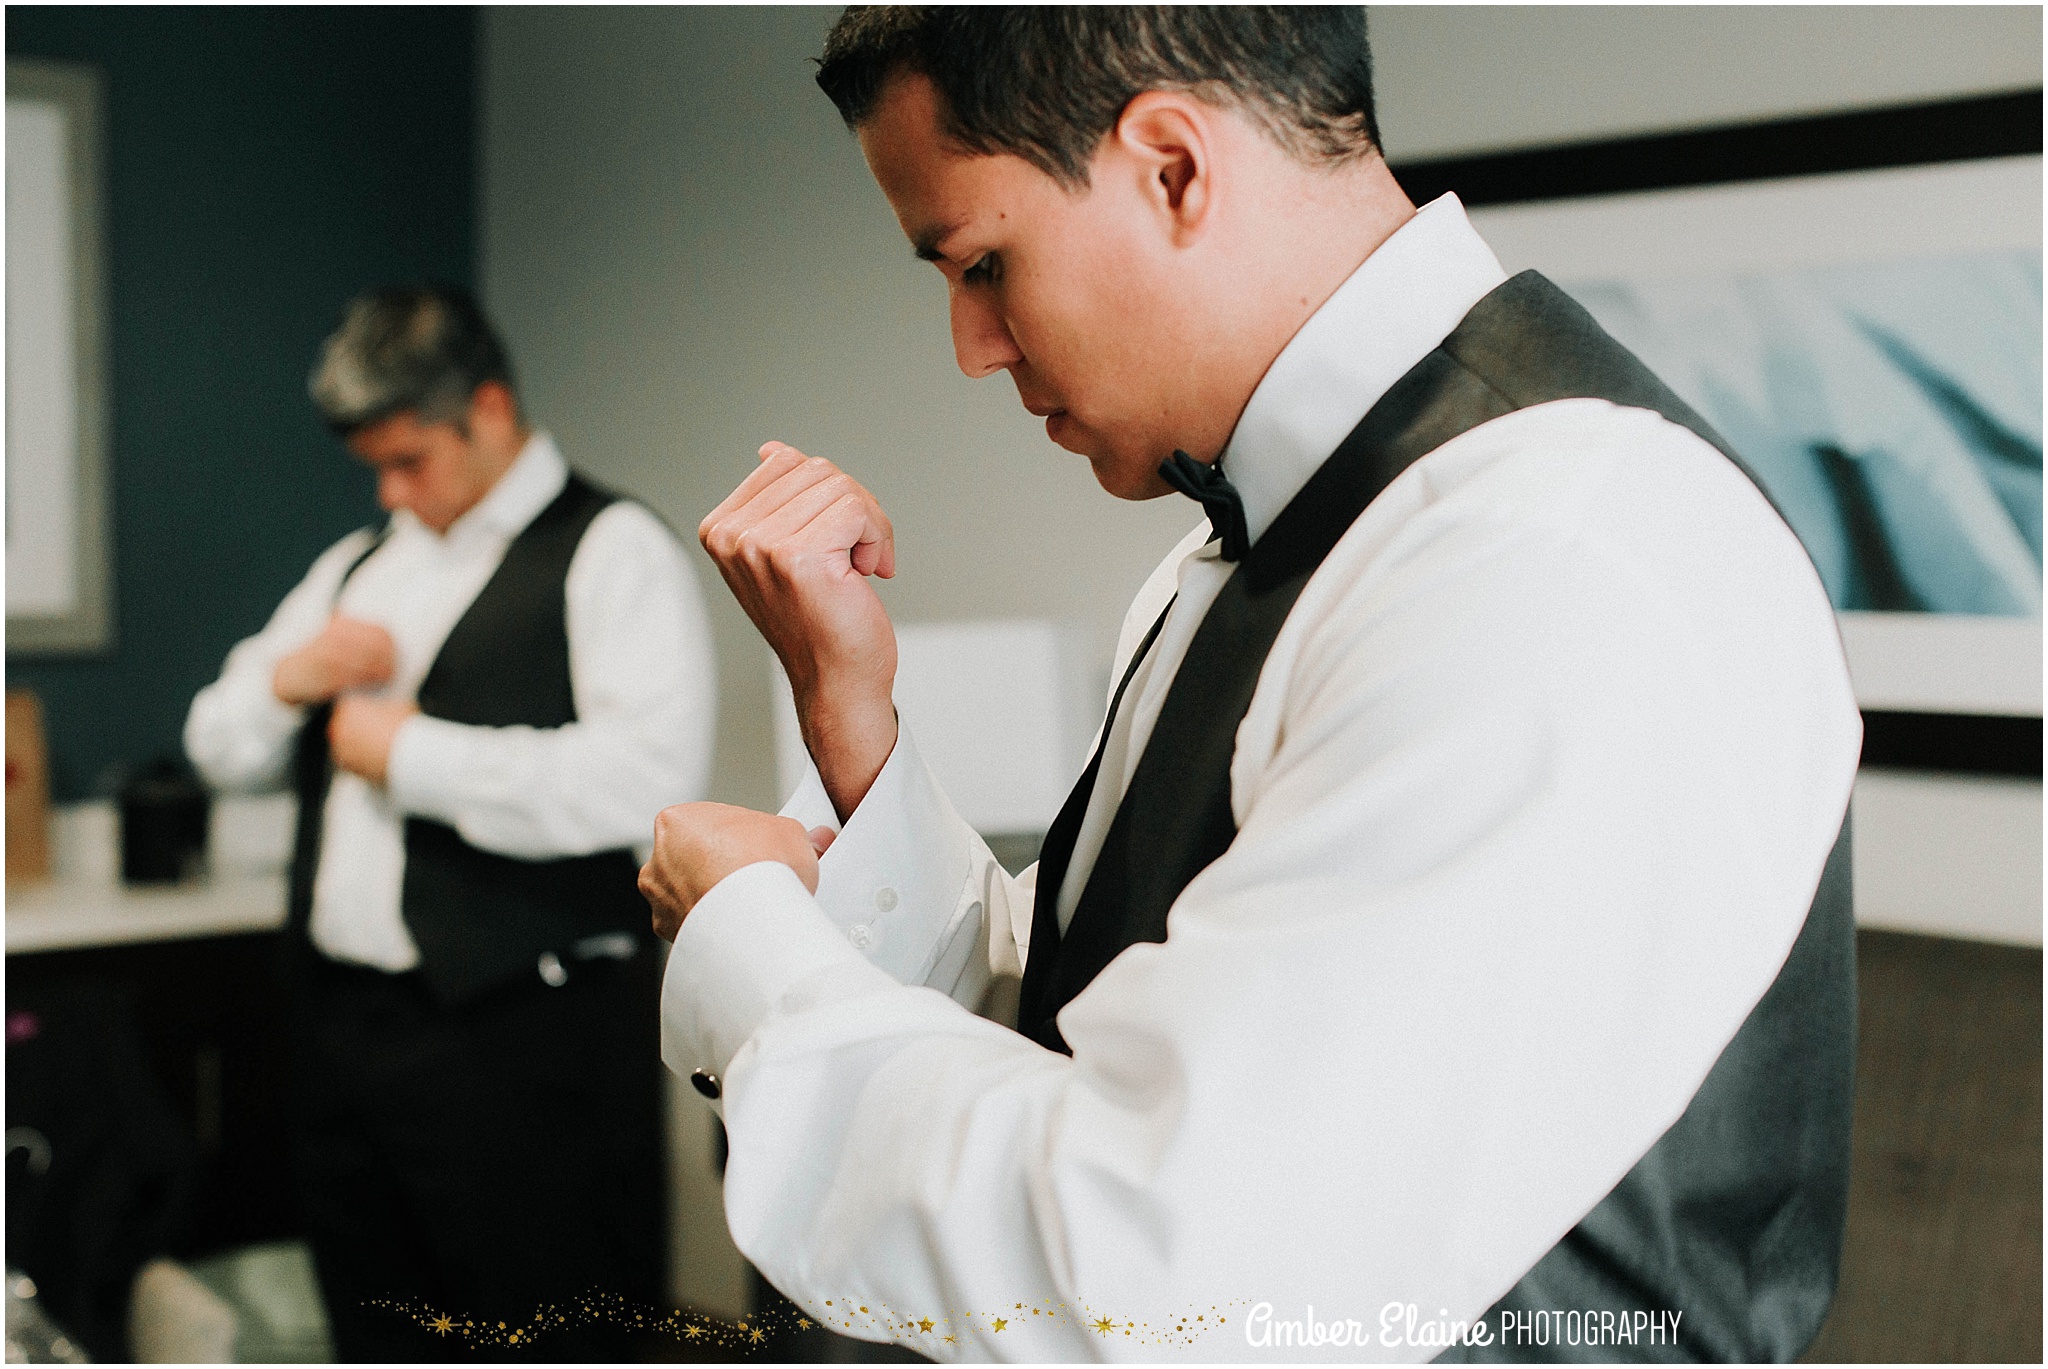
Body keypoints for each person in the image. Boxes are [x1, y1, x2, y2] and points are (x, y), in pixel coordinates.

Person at [640, 9, 1859, 1362]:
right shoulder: (1229, 555)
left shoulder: (1549, 552)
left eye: (982, 262)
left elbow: (1165, 1271)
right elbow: (1093, 1031)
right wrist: (852, 725)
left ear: (1173, 166)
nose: (970, 346)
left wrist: (754, 951)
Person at [185, 285, 715, 1359]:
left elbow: (645, 781)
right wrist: (291, 677)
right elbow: (216, 748)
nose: (389, 489)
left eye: (410, 460)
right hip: (347, 1035)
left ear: (486, 407)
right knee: (374, 1321)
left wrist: (408, 754)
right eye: (372, 467)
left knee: (540, 1328)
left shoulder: (611, 550)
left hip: (524, 1043)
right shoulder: (360, 566)